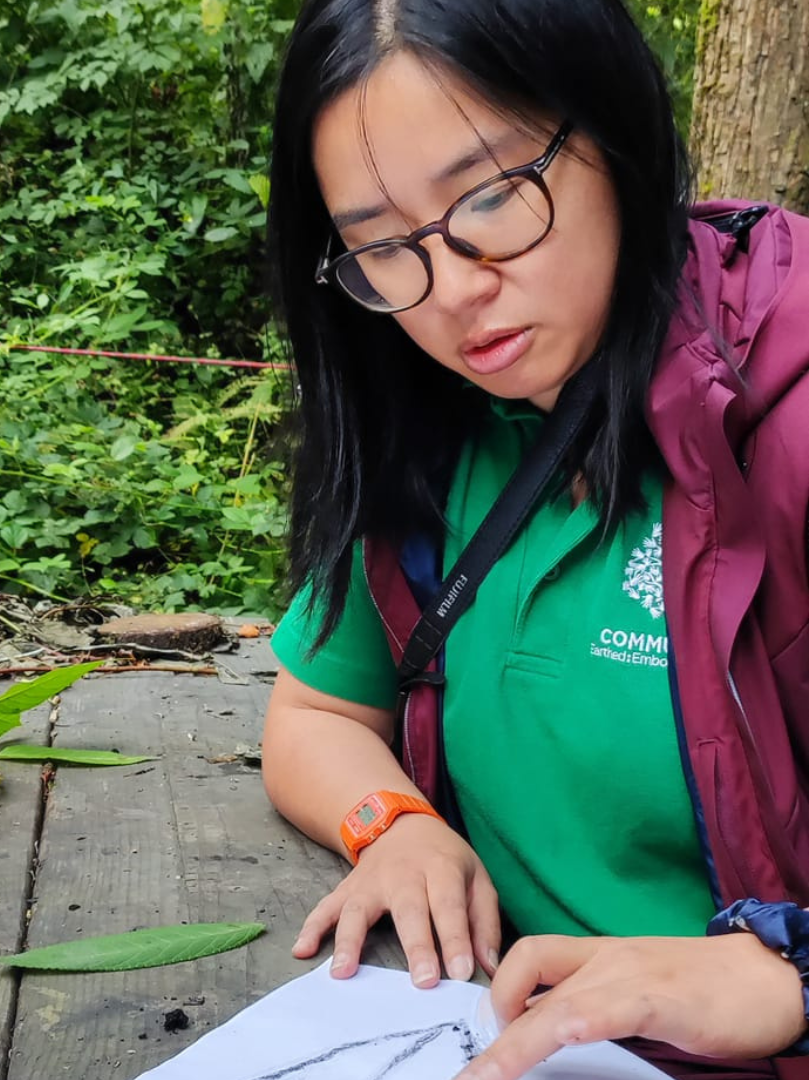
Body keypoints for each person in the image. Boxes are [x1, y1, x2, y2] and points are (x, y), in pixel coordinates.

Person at [259, 1, 809, 1079]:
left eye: (494, 197)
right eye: (382, 248)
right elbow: (317, 710)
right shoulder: (431, 423)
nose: (455, 291)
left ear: (615, 131)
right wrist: (394, 824)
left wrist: (788, 976)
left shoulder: (784, 414)